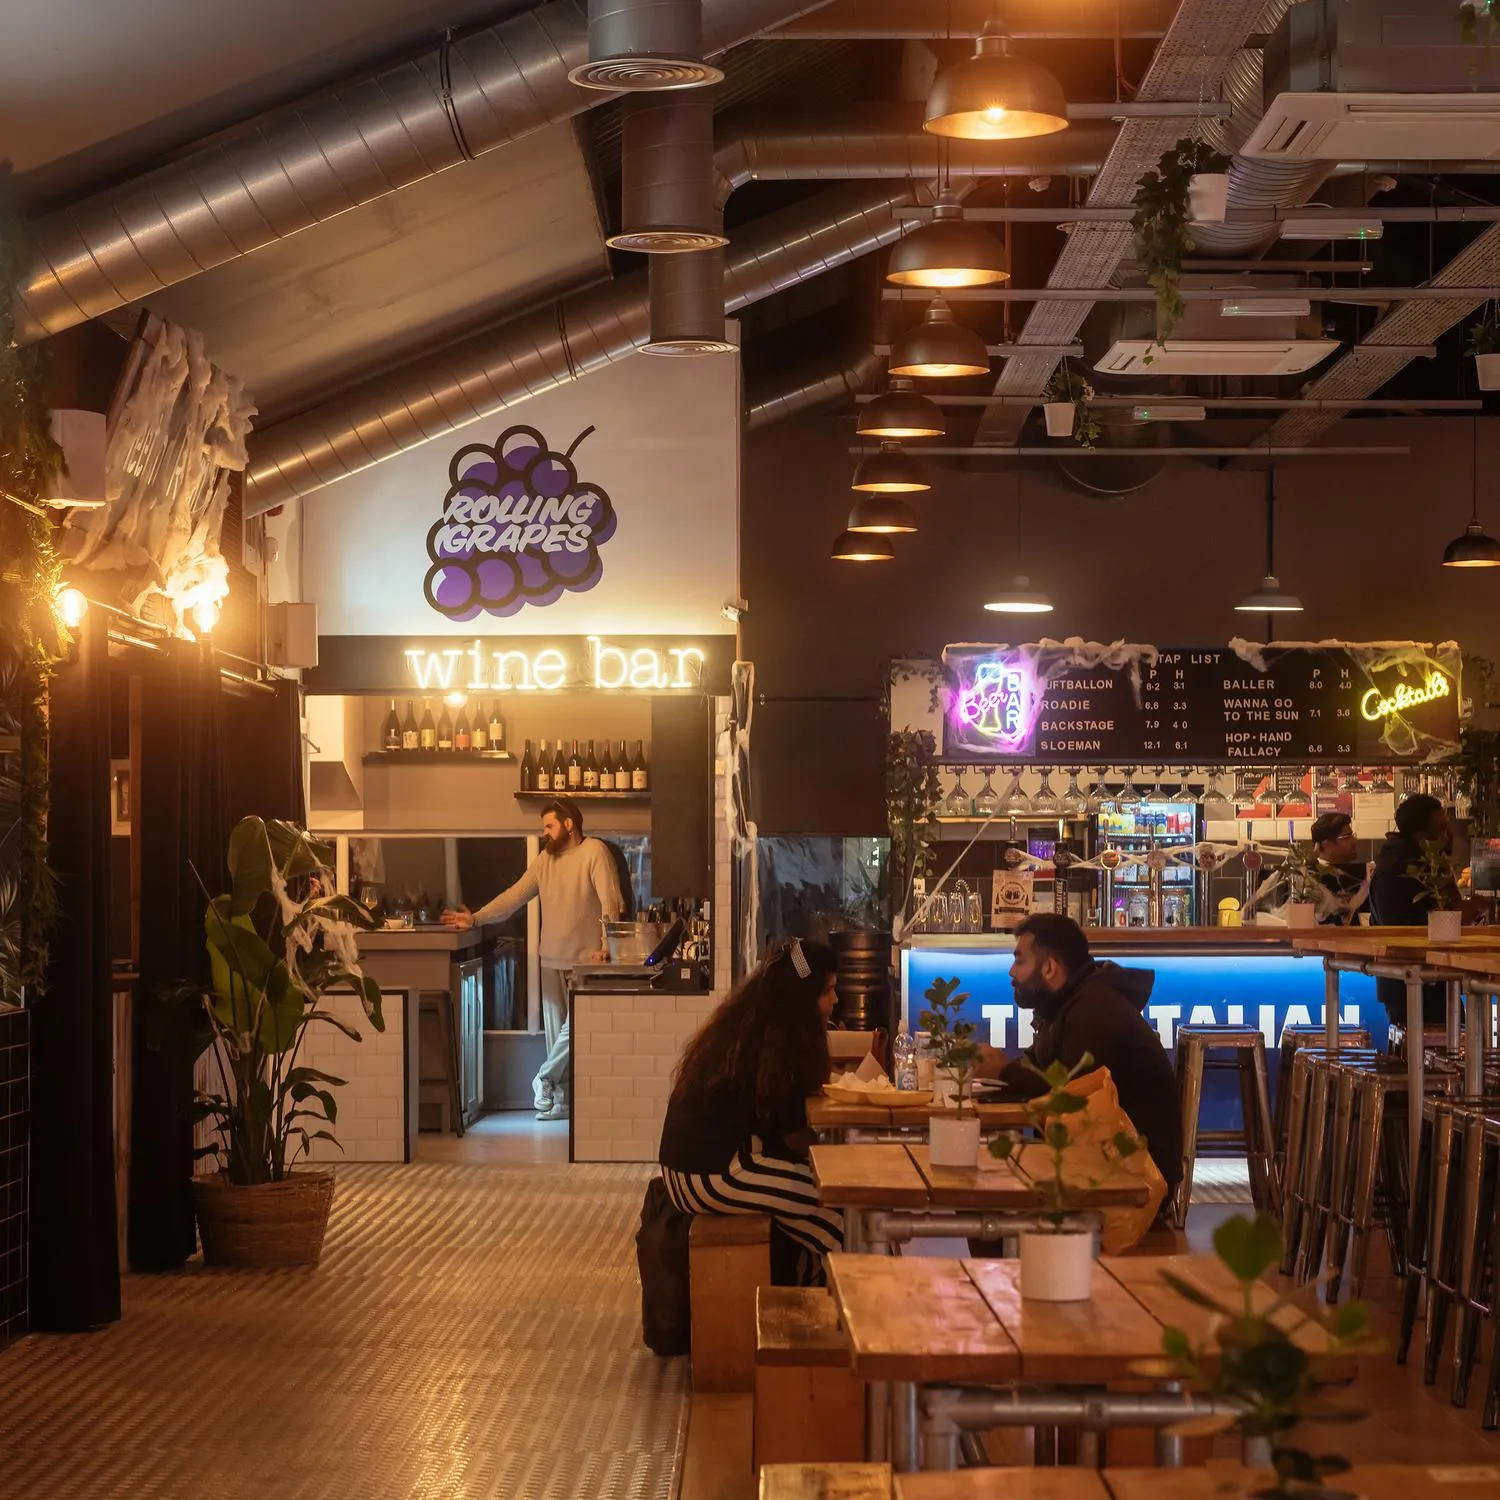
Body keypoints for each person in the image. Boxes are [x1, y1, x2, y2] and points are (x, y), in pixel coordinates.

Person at [658, 938, 844, 1286]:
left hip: (691, 1167)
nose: (835, 1000)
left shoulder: (753, 1023)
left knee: (818, 1199)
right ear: (804, 996)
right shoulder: (779, 1040)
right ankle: (852, 1306)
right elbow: (790, 1132)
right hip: (712, 1172)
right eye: (828, 990)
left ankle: (814, 1297)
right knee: (834, 1210)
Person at [975, 913, 1182, 1199]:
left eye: (1020, 961)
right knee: (987, 1177)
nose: (1012, 972)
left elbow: (1070, 1095)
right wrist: (997, 1071)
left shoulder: (1093, 1010)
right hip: (1103, 1160)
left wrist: (1002, 1071)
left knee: (989, 1185)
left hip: (1138, 1179)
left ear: (1049, 968)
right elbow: (1043, 1074)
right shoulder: (1067, 1003)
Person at [443, 797, 623, 1121]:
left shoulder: (594, 852)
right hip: (550, 959)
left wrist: (606, 946)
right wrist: (477, 918)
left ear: (569, 824)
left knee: (578, 1027)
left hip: (586, 960)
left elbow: (611, 903)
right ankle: (561, 1102)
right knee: (557, 1038)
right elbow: (513, 897)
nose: (544, 833)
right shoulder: (544, 861)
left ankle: (543, 1076)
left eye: (549, 826)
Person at [1368, 793, 1473, 1026]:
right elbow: (1400, 928)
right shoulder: (1398, 867)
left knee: (1451, 1041)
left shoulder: (1425, 862)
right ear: (1420, 835)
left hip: (1433, 978)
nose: (1447, 836)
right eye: (1441, 829)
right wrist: (1458, 915)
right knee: (1430, 1044)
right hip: (1411, 980)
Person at [1309, 811, 1368, 925]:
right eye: (1347, 837)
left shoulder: (1362, 873)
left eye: (1353, 835)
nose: (1354, 841)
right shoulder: (1309, 877)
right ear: (1327, 844)